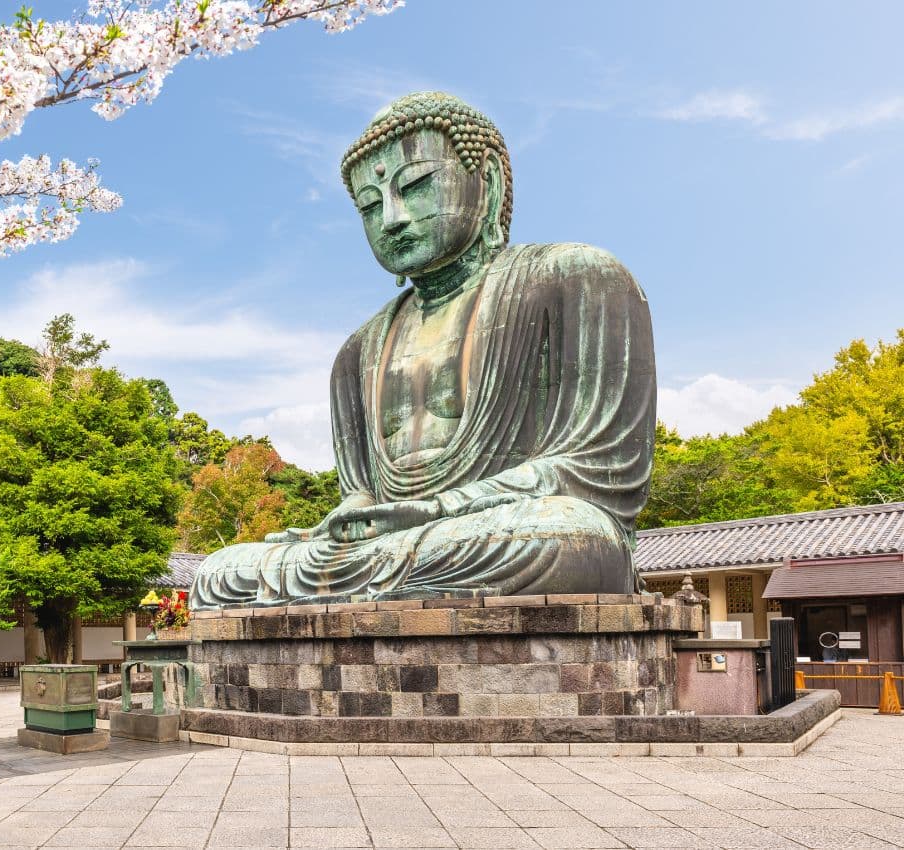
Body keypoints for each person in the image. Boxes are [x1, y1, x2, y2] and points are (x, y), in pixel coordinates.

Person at [190, 92, 656, 608]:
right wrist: (354, 518)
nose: (391, 218)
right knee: (218, 573)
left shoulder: (576, 278)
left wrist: (436, 510)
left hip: (507, 528)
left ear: (489, 182)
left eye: (415, 186)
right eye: (370, 205)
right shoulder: (356, 353)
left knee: (568, 538)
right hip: (405, 545)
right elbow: (362, 492)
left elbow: (600, 469)